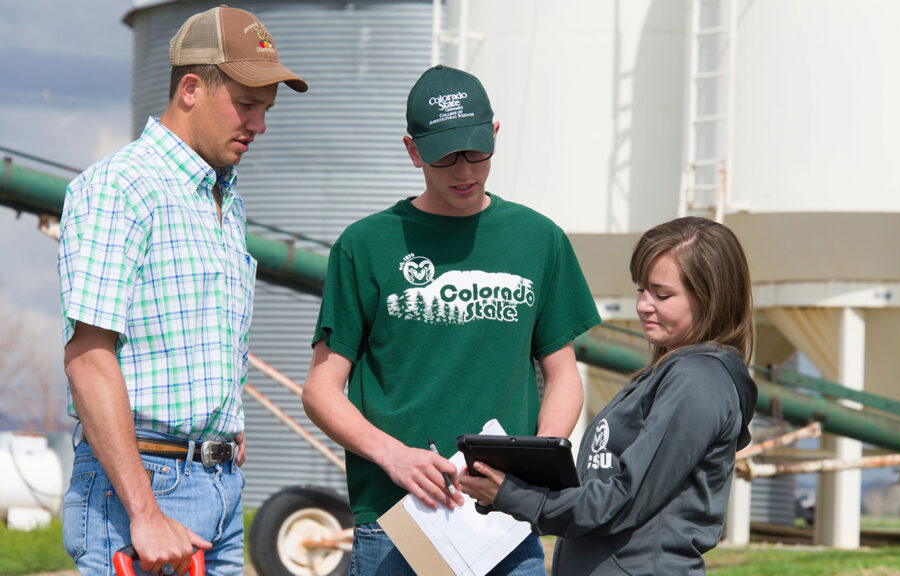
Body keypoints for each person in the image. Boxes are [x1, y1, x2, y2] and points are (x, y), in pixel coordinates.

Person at [302, 64, 601, 575]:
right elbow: (321, 390)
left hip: (504, 521)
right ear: (412, 150)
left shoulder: (539, 239)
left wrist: (535, 464)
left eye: (476, 152)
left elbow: (562, 374)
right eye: (445, 157)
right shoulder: (365, 245)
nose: (465, 171)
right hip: (398, 521)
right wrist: (394, 455)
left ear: (496, 135)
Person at [58, 5, 307, 575]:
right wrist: (143, 512)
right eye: (246, 106)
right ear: (191, 88)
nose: (259, 125)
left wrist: (221, 427)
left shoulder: (225, 200)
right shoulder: (120, 188)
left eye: (264, 110)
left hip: (217, 485)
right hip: (144, 489)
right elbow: (88, 358)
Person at [460, 216, 759, 575]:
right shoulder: (669, 374)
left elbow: (623, 500)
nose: (644, 305)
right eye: (641, 290)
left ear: (710, 298)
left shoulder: (697, 381)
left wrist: (513, 496)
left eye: (662, 294)